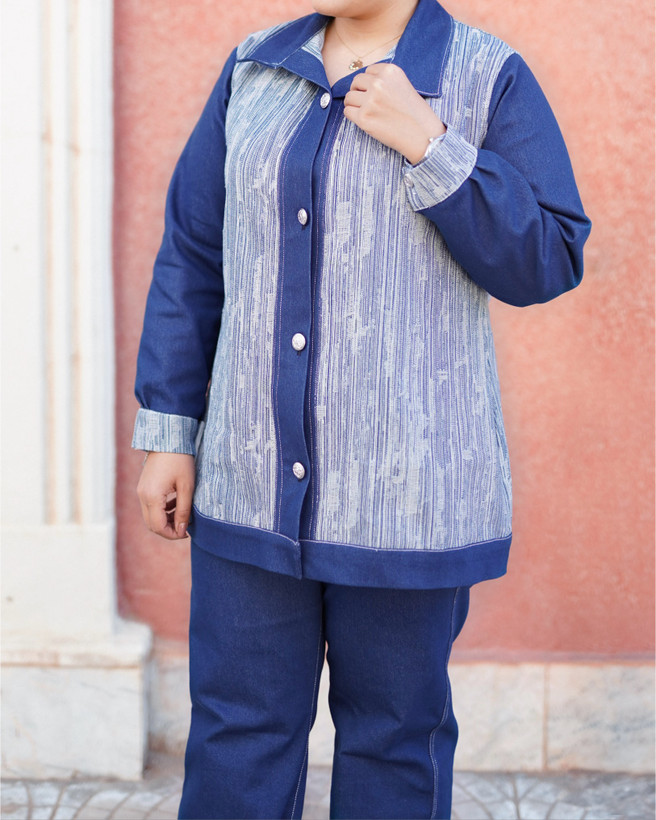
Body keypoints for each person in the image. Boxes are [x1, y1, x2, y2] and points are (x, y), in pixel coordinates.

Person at [132, 0, 591, 816]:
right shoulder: (253, 70)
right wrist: (172, 431)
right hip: (249, 482)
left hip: (406, 498)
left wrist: (431, 146)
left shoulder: (485, 75)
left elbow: (548, 258)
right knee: (237, 736)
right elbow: (196, 253)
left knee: (394, 742)